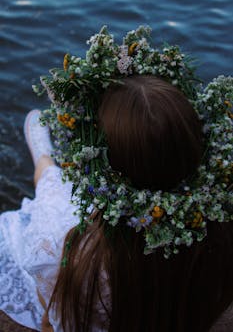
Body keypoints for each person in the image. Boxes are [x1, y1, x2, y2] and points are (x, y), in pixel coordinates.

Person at [0, 26, 232, 332]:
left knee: (51, 187)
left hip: (83, 262)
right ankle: (45, 158)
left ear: (107, 171)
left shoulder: (72, 251)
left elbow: (50, 316)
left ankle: (44, 156)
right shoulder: (219, 240)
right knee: (57, 194)